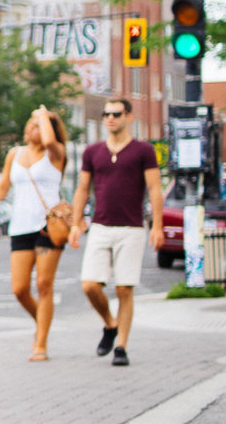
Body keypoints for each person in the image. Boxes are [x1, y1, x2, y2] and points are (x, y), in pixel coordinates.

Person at [69, 97, 164, 366]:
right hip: (100, 225)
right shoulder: (92, 151)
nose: (110, 118)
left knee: (124, 289)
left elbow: (155, 189)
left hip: (132, 228)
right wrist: (76, 223)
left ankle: (121, 345)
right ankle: (110, 324)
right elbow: (82, 189)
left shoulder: (143, 150)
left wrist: (157, 226)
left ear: (128, 117)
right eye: (106, 114)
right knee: (89, 285)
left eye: (116, 113)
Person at [0, 105, 69, 361]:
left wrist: (43, 114)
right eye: (29, 123)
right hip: (21, 226)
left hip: (48, 227)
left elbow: (48, 139)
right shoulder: (14, 154)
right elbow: (3, 188)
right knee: (20, 289)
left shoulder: (55, 153)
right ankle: (42, 323)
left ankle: (41, 345)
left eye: (36, 124)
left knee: (44, 285)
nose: (30, 128)